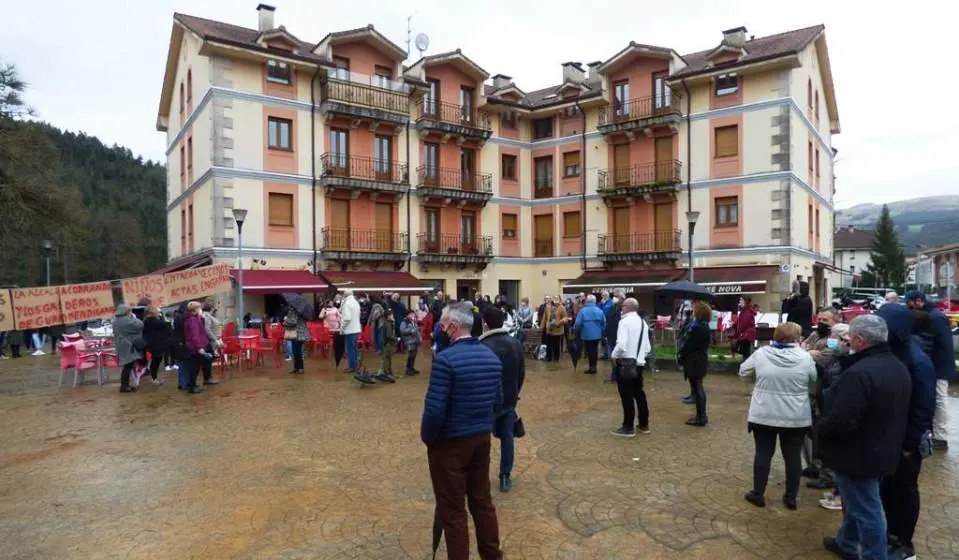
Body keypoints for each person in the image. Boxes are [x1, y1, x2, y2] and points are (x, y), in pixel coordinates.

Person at [817, 314, 911, 560]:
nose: (847, 342)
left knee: (867, 510)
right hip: (882, 448)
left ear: (860, 340)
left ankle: (874, 555)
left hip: (858, 455)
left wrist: (820, 428)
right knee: (859, 502)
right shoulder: (897, 366)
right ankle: (846, 542)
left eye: (850, 338)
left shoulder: (859, 373)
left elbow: (843, 420)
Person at [421, 302, 504, 560]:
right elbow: (498, 402)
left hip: (450, 445)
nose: (440, 330)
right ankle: (493, 555)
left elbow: (434, 410)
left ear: (454, 328)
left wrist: (428, 438)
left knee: (453, 511)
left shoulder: (445, 360)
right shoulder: (491, 356)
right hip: (481, 439)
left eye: (443, 325)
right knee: (482, 502)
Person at [876, 303, 937, 560]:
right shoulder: (893, 352)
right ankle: (888, 535)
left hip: (907, 440)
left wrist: (910, 444)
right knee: (887, 488)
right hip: (888, 435)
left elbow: (924, 406)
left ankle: (904, 542)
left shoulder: (917, 361)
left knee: (905, 489)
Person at [738, 322, 817, 510]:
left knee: (763, 453)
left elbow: (743, 372)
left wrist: (758, 383)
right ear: (797, 338)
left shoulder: (762, 353)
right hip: (796, 416)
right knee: (792, 457)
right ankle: (791, 497)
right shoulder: (805, 358)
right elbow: (813, 382)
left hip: (764, 413)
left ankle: (758, 494)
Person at [479, 306, 526, 493]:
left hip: (487, 402)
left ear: (485, 324)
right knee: (507, 437)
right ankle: (505, 475)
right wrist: (515, 392)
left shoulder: (483, 346)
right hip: (509, 399)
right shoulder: (515, 344)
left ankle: (479, 475)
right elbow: (521, 373)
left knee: (482, 440)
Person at [904, 290, 956, 450]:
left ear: (918, 301)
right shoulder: (932, 315)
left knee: (940, 399)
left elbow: (943, 346)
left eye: (909, 303)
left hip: (938, 366)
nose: (908, 307)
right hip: (935, 365)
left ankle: (940, 437)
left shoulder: (935, 317)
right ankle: (935, 434)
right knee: (934, 399)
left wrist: (937, 368)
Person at [609, 298, 652, 437]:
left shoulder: (624, 322)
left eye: (623, 305)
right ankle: (644, 424)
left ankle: (628, 427)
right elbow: (647, 347)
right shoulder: (643, 323)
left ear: (627, 307)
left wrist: (613, 356)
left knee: (626, 395)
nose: (621, 307)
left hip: (625, 363)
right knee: (639, 394)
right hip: (639, 364)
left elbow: (621, 344)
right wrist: (640, 357)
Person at [678, 301, 711, 427]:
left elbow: (690, 345)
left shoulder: (699, 328)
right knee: (698, 387)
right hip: (698, 359)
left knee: (698, 387)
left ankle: (701, 416)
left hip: (695, 360)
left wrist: (682, 354)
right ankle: (700, 415)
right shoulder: (702, 326)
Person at [113, 304, 145, 393]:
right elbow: (140, 325)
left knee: (128, 365)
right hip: (128, 346)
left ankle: (126, 385)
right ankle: (124, 386)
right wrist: (133, 317)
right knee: (128, 365)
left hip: (122, 345)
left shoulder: (116, 320)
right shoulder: (126, 320)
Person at [572, 295, 606, 374]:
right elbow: (604, 322)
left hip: (586, 335)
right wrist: (602, 331)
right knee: (594, 350)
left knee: (589, 351)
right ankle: (594, 367)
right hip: (597, 335)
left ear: (587, 301)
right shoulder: (599, 310)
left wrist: (574, 329)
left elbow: (577, 323)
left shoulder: (583, 311)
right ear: (595, 301)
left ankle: (592, 368)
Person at [183, 301, 211, 394]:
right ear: (196, 309)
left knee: (195, 367)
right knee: (194, 368)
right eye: (199, 308)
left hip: (193, 346)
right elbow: (195, 335)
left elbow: (200, 329)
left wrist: (202, 319)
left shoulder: (194, 319)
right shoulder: (192, 320)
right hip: (194, 347)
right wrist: (199, 347)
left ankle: (193, 385)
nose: (201, 310)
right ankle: (192, 386)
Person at [142, 306, 171, 385]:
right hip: (156, 343)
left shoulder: (147, 321)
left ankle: (154, 377)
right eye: (158, 312)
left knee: (156, 360)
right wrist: (161, 317)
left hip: (154, 343)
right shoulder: (153, 321)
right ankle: (154, 377)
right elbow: (165, 325)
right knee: (156, 360)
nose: (159, 313)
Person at [283, 304, 310, 375]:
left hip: (296, 333)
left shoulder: (292, 310)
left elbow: (293, 321)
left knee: (296, 351)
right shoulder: (302, 310)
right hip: (302, 333)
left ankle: (299, 368)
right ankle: (298, 368)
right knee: (297, 351)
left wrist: (285, 322)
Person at [340, 290, 362, 373]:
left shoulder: (347, 303)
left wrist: (342, 328)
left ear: (345, 295)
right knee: (354, 348)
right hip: (356, 329)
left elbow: (347, 318)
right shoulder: (356, 303)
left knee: (350, 349)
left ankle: (352, 367)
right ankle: (355, 365)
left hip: (349, 330)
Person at [604, 292, 623, 383]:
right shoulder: (613, 307)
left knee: (616, 357)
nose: (614, 298)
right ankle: (615, 376)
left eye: (616, 296)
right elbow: (608, 320)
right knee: (613, 357)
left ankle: (617, 376)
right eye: (614, 296)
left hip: (618, 337)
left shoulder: (622, 308)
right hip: (611, 336)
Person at [731, 296, 757, 360]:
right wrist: (734, 325)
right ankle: (746, 365)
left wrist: (738, 332)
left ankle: (746, 366)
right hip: (746, 334)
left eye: (741, 300)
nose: (739, 302)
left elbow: (744, 323)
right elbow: (740, 321)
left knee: (745, 351)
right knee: (744, 351)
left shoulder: (747, 311)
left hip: (746, 334)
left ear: (745, 302)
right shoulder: (745, 310)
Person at [320, 300, 344, 369]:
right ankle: (326, 352)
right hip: (327, 327)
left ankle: (335, 351)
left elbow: (339, 316)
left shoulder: (335, 309)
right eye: (330, 303)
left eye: (332, 303)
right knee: (328, 340)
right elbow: (320, 316)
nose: (331, 304)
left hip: (335, 327)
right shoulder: (324, 309)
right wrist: (324, 314)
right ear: (327, 303)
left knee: (336, 339)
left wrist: (340, 320)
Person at [375, 312, 397, 383]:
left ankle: (388, 372)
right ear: (388, 316)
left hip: (387, 344)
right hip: (387, 344)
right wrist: (396, 338)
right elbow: (389, 335)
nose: (393, 316)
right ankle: (386, 373)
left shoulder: (387, 323)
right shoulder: (388, 324)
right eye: (392, 315)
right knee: (387, 359)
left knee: (387, 358)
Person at [399, 310, 421, 376]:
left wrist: (419, 337)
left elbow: (416, 329)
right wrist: (411, 330)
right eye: (411, 314)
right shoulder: (404, 322)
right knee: (411, 355)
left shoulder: (413, 321)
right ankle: (409, 369)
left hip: (415, 340)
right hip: (409, 341)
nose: (412, 315)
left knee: (414, 355)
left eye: (413, 314)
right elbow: (402, 330)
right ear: (407, 315)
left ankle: (412, 368)